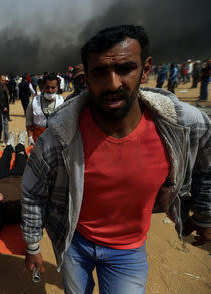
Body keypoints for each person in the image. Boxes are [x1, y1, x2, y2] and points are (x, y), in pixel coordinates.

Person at [21, 25, 210, 294]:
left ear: (145, 69)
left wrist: (205, 214)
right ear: (86, 78)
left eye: (125, 68)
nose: (112, 84)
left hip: (128, 251)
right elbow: (32, 191)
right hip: (75, 241)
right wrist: (32, 245)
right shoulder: (61, 136)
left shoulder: (180, 125)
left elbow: (208, 160)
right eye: (99, 73)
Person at [25, 73, 64, 145]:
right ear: (43, 86)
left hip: (55, 142)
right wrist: (30, 137)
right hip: (38, 141)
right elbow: (29, 121)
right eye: (47, 87)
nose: (50, 90)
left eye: (53, 87)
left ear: (57, 87)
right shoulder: (33, 102)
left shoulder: (62, 102)